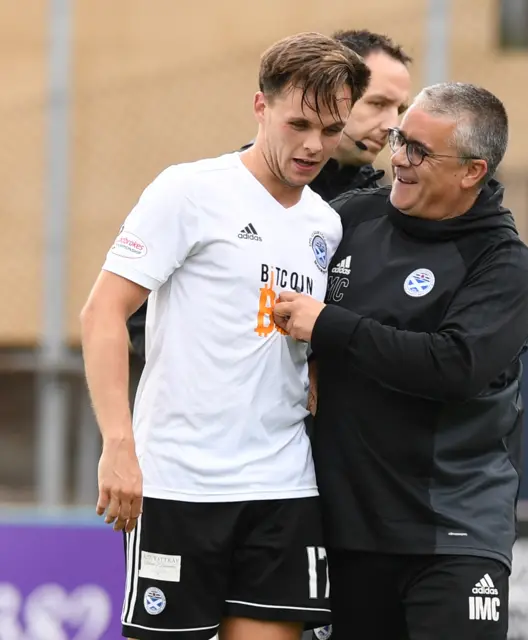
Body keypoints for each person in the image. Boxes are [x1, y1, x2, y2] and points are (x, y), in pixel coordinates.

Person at [79, 32, 370, 640]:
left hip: (282, 483)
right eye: (300, 123)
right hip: (180, 481)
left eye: (332, 129)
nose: (315, 144)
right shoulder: (189, 191)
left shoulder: (326, 224)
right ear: (260, 107)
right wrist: (118, 444)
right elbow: (102, 313)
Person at [274, 82, 528, 640]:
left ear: (473, 171)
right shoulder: (352, 220)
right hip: (347, 530)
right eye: (400, 139)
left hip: (453, 534)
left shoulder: (503, 263)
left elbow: (454, 366)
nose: (398, 158)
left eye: (419, 150)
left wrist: (329, 326)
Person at [126, 29, 412, 362]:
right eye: (378, 103)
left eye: (400, 109)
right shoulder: (213, 192)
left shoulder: (379, 211)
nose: (393, 124)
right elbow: (133, 314)